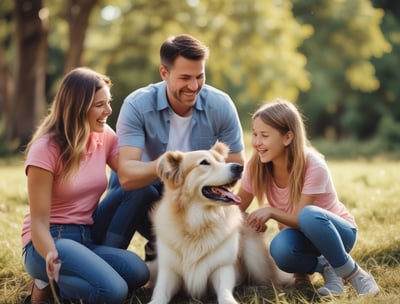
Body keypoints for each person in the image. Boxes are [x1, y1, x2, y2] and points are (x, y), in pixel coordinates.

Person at [91, 34, 245, 259]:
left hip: (196, 199)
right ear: (164, 73)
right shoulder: (137, 105)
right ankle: (113, 255)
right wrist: (170, 166)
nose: (193, 86)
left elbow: (236, 163)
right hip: (148, 196)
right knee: (137, 188)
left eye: (199, 76)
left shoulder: (220, 105)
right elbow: (126, 175)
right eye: (184, 77)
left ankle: (174, 250)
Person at [21, 67, 149, 304]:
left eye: (108, 102)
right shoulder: (46, 148)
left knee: (138, 271)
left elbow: (130, 175)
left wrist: (171, 165)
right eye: (100, 105)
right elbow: (38, 221)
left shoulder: (104, 135)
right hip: (47, 240)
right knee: (115, 291)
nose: (109, 111)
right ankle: (47, 282)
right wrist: (50, 253)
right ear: (77, 107)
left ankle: (56, 289)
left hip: (85, 236)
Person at [237, 98, 380, 296]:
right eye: (254, 134)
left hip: (338, 233)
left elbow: (300, 218)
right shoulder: (256, 166)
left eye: (264, 135)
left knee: (309, 215)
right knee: (279, 250)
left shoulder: (312, 164)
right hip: (301, 238)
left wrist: (269, 211)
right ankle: (327, 268)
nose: (256, 142)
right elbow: (237, 205)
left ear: (287, 137)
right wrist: (245, 219)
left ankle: (355, 273)